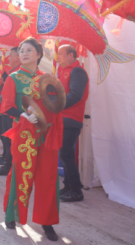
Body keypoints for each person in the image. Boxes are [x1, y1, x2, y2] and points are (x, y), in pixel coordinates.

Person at [0, 37, 63, 241]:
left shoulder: (49, 78)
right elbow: (6, 105)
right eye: (21, 50)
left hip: (47, 134)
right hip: (25, 134)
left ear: (38, 54)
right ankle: (12, 214)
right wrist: (22, 114)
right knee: (21, 175)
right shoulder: (13, 77)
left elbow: (56, 102)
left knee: (48, 178)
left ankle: (47, 222)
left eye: (28, 50)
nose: (24, 53)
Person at [57, 44, 89, 202]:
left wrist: (56, 105)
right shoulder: (63, 71)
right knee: (65, 154)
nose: (58, 57)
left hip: (71, 117)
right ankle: (69, 187)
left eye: (61, 54)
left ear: (71, 55)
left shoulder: (77, 71)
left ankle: (76, 190)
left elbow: (76, 95)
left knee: (66, 154)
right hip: (62, 117)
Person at [0, 47, 20, 175]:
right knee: (6, 139)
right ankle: (8, 164)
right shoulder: (11, 73)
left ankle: (10, 165)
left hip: (12, 113)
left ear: (17, 58)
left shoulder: (18, 73)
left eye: (10, 56)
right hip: (5, 110)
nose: (8, 58)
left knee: (11, 141)